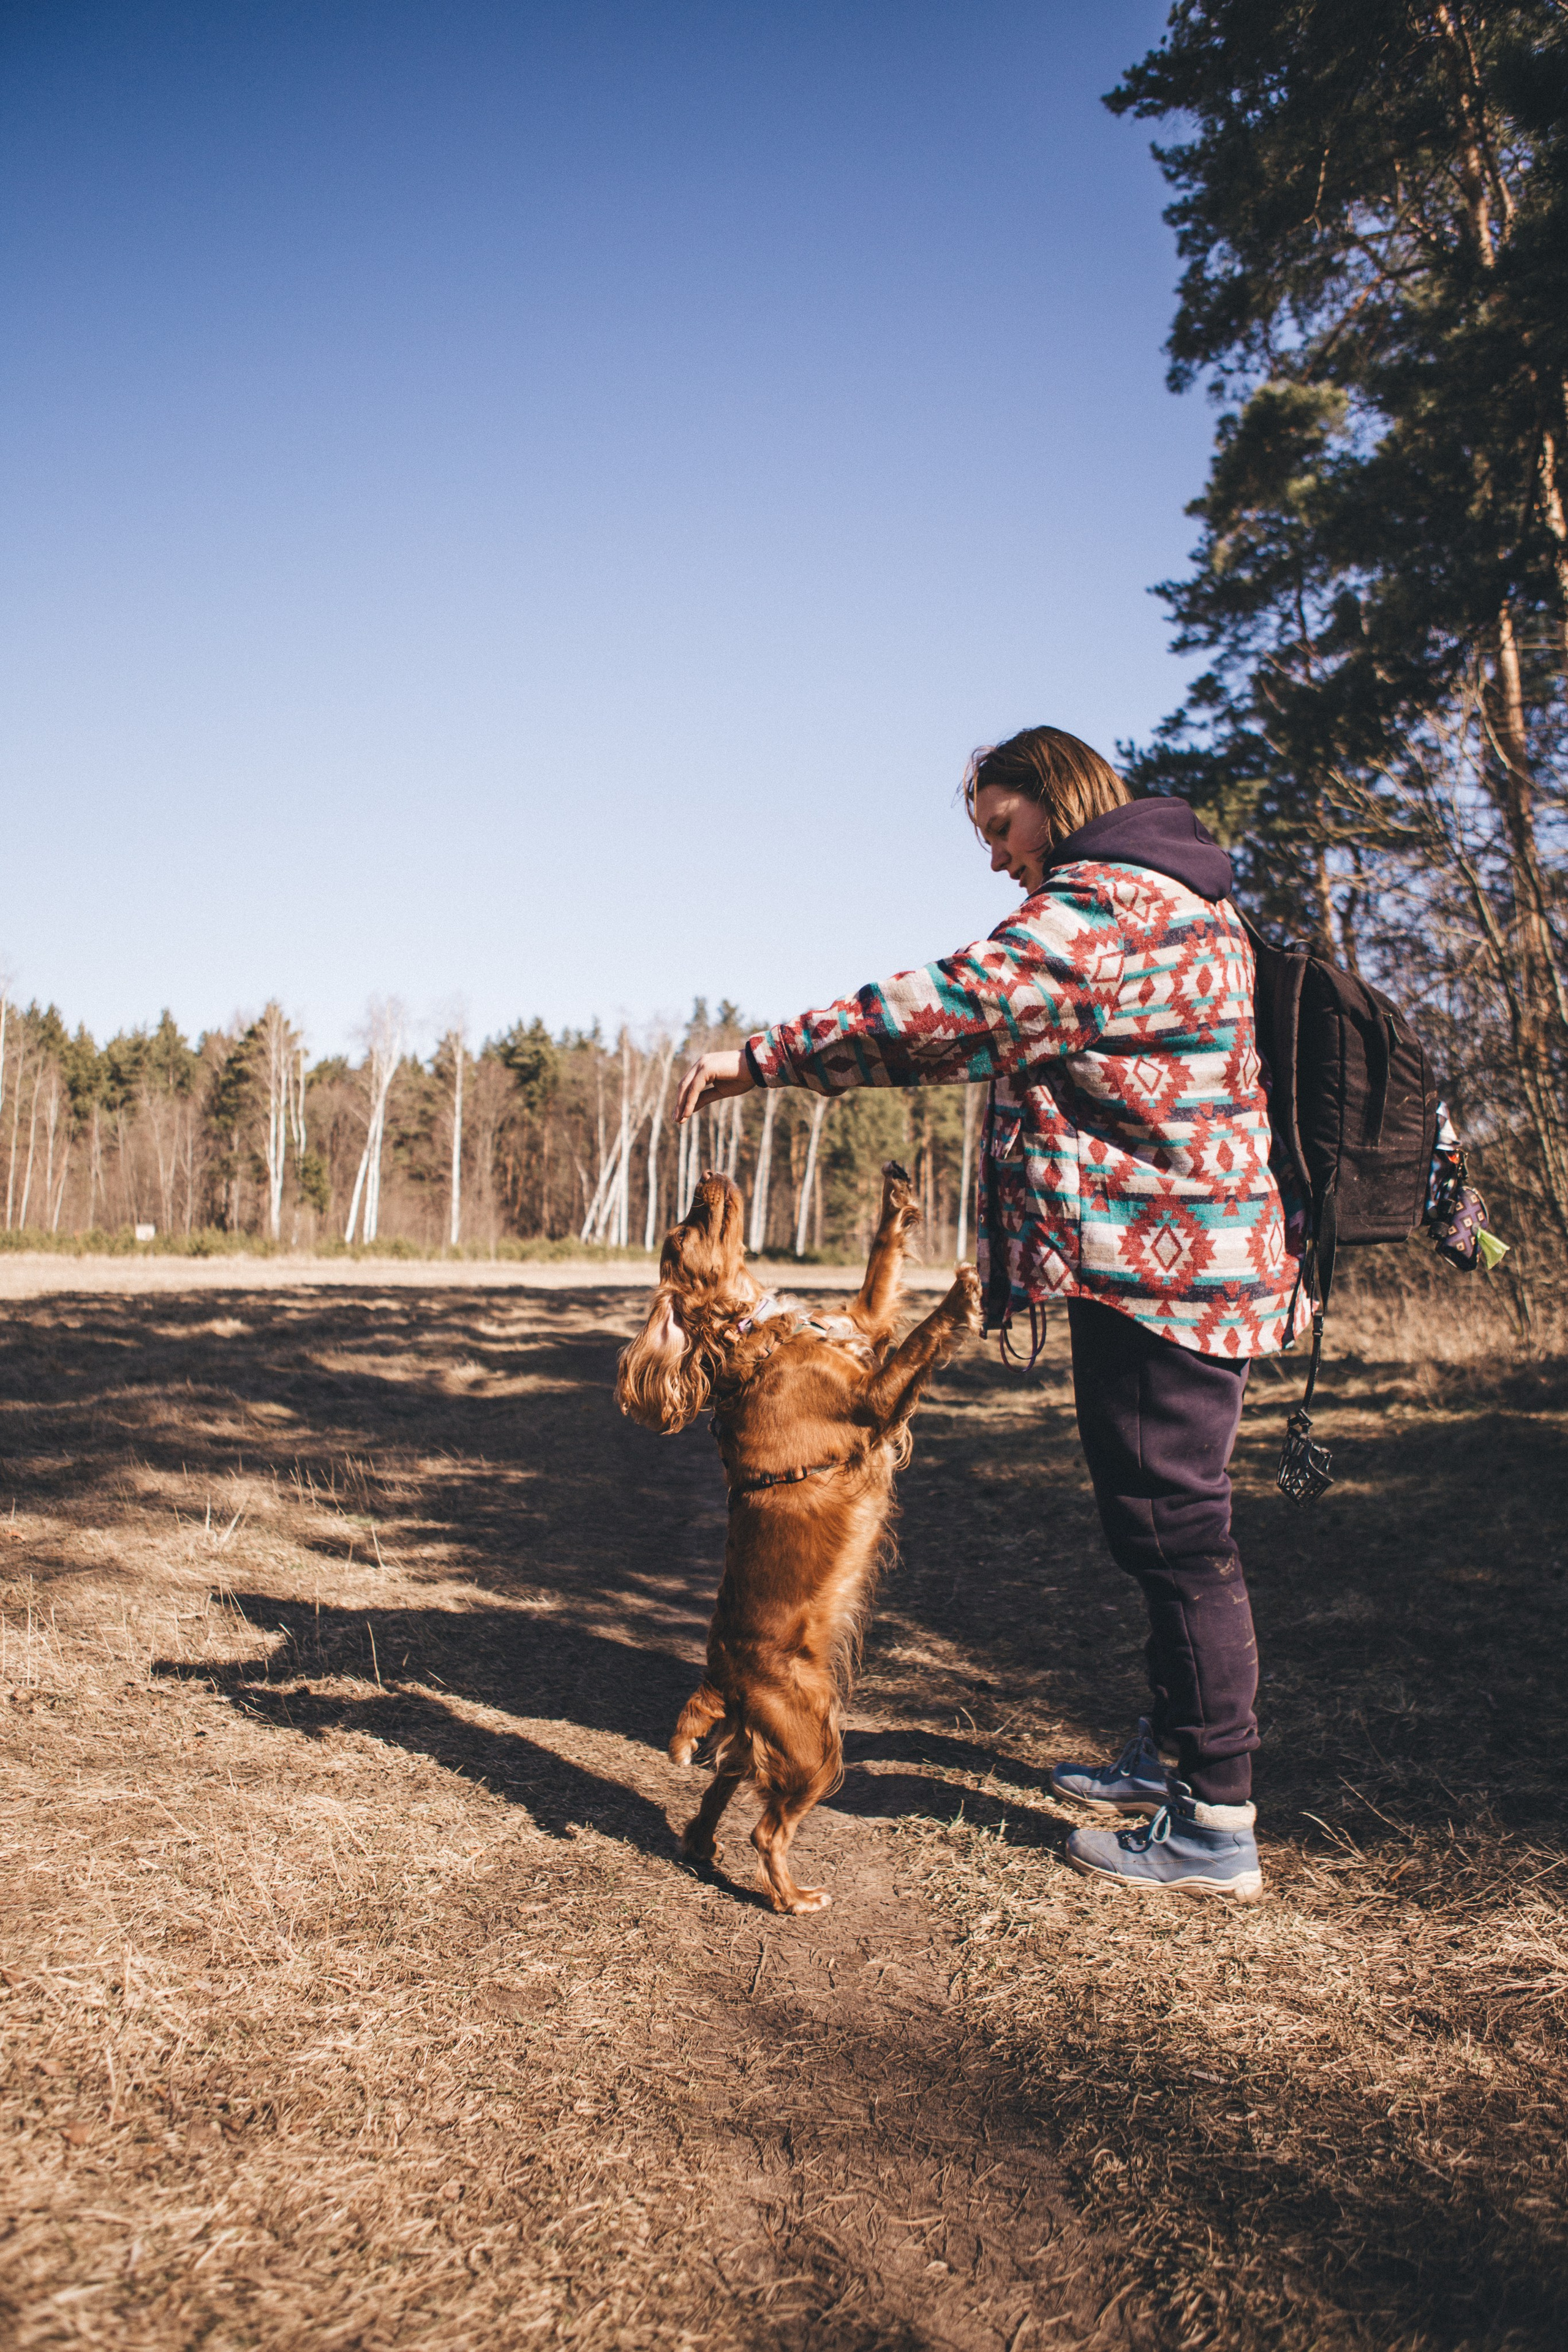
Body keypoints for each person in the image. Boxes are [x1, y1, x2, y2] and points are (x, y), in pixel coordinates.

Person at [674, 724, 1310, 1903]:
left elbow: (944, 1012)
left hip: (1172, 1276)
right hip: (1177, 1264)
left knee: (1178, 1533)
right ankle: (1170, 1759)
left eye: (1000, 825)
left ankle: (1216, 1821)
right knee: (1156, 1526)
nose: (995, 857)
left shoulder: (1102, 906)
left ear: (1056, 802)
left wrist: (760, 1059)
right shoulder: (1185, 893)